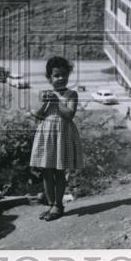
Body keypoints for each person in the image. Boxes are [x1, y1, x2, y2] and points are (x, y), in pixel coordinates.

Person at [29, 55, 82, 221]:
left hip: (62, 135)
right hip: (46, 135)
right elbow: (37, 115)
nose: (61, 78)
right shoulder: (45, 94)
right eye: (56, 75)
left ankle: (58, 205)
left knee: (59, 172)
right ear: (49, 78)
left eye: (64, 75)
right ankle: (51, 204)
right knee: (46, 171)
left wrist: (56, 101)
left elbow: (69, 115)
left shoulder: (71, 94)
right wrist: (45, 102)